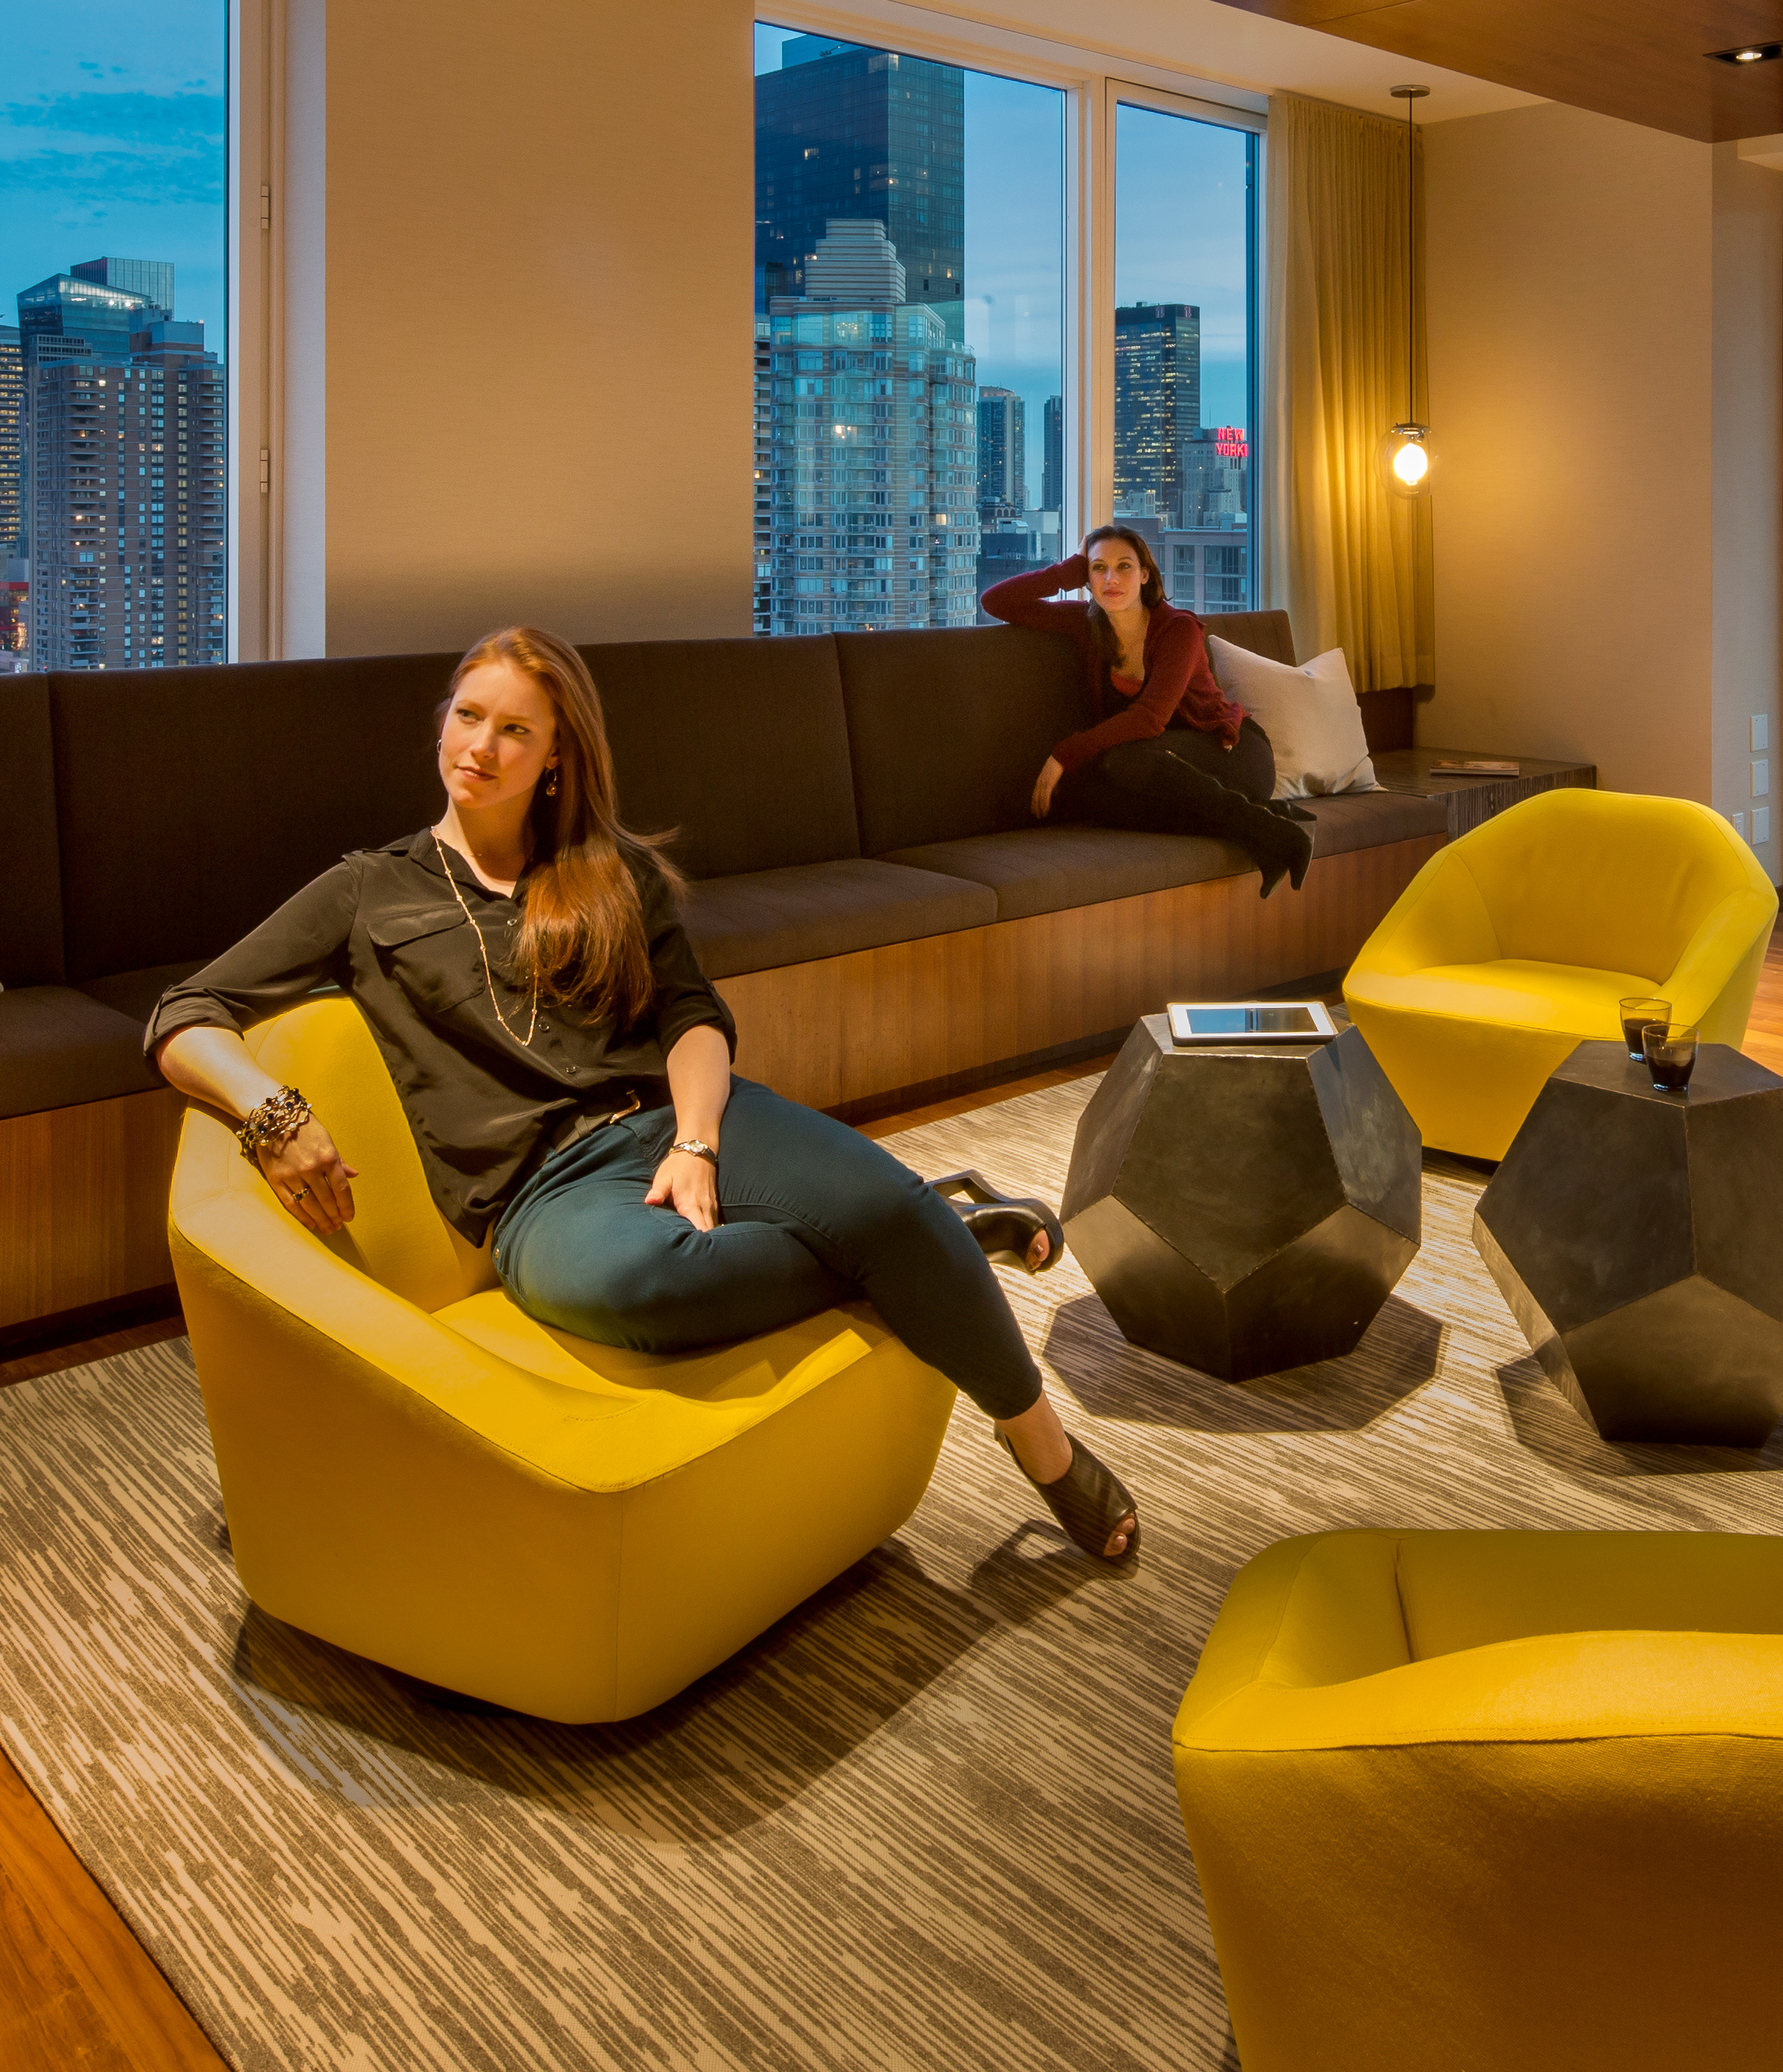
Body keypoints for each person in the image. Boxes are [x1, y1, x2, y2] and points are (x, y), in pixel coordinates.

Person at [146, 626, 1140, 1561]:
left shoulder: (608, 870)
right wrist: (271, 1111)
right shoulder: (368, 890)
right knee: (668, 1285)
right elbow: (183, 1014)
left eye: (514, 730)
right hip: (541, 1195)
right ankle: (936, 1239)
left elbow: (692, 1019)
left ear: (556, 758)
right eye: (468, 716)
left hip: (685, 1120)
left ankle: (1043, 1448)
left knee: (884, 1205)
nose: (480, 747)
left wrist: (696, 1142)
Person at [982, 526, 1313, 895]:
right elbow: (997, 602)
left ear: (1144, 575)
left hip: (1230, 753)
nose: (1111, 579)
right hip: (1161, 769)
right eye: (1098, 568)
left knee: (1123, 759)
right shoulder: (1086, 624)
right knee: (1087, 794)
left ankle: (1272, 831)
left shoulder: (1178, 629)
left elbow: (1150, 719)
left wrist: (1066, 753)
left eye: (1124, 566)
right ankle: (1270, 823)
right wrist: (1069, 570)